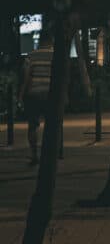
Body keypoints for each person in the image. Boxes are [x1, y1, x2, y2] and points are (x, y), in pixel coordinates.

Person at [20, 31, 54, 166]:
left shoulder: (32, 56)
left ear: (40, 41)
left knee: (32, 126)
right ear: (50, 41)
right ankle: (50, 155)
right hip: (50, 95)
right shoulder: (55, 56)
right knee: (51, 126)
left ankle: (34, 155)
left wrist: (21, 95)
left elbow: (26, 77)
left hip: (34, 94)